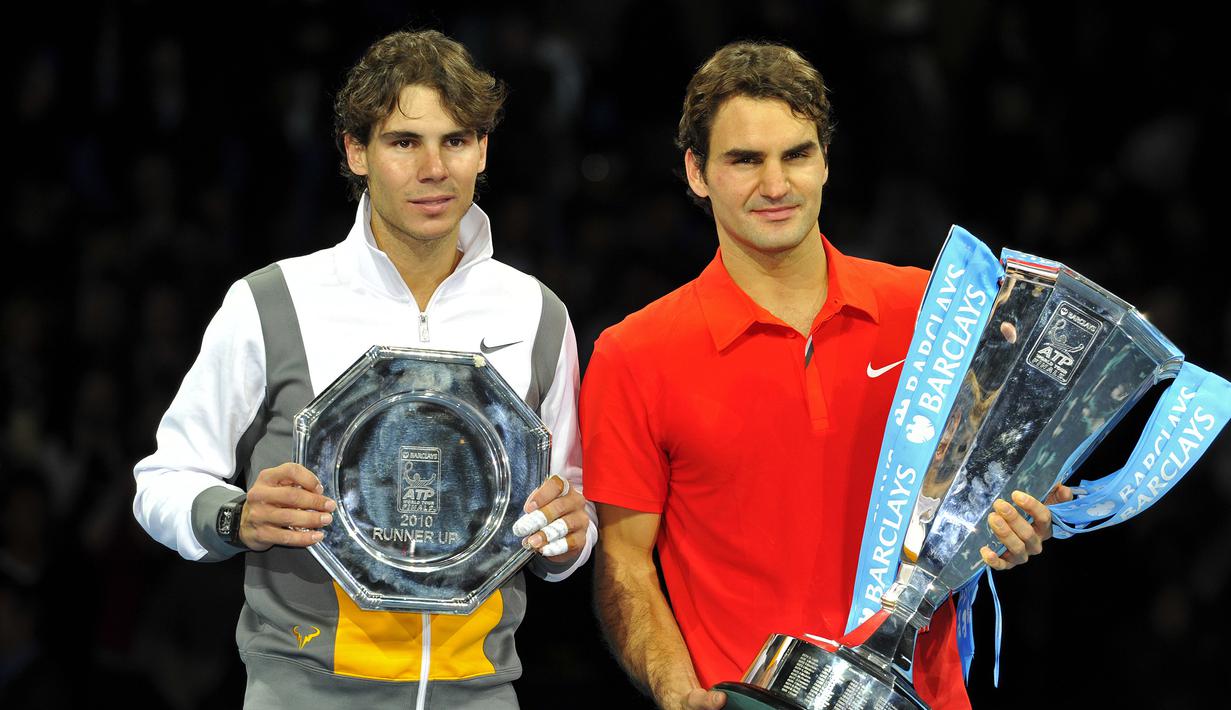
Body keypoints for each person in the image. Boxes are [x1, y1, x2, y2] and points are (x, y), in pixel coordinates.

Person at [581, 41, 1069, 710]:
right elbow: (625, 560)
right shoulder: (634, 353)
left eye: (795, 154)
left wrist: (1009, 531)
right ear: (695, 172)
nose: (775, 186)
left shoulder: (932, 312)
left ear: (825, 159)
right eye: (744, 160)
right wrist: (676, 692)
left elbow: (979, 500)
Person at [132, 29, 595, 709]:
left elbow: (568, 503)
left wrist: (568, 538)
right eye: (404, 142)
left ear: (482, 150)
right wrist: (235, 517)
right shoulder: (273, 300)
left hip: (481, 692)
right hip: (305, 690)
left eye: (456, 140)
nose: (433, 168)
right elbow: (163, 479)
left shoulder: (537, 314)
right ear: (356, 152)